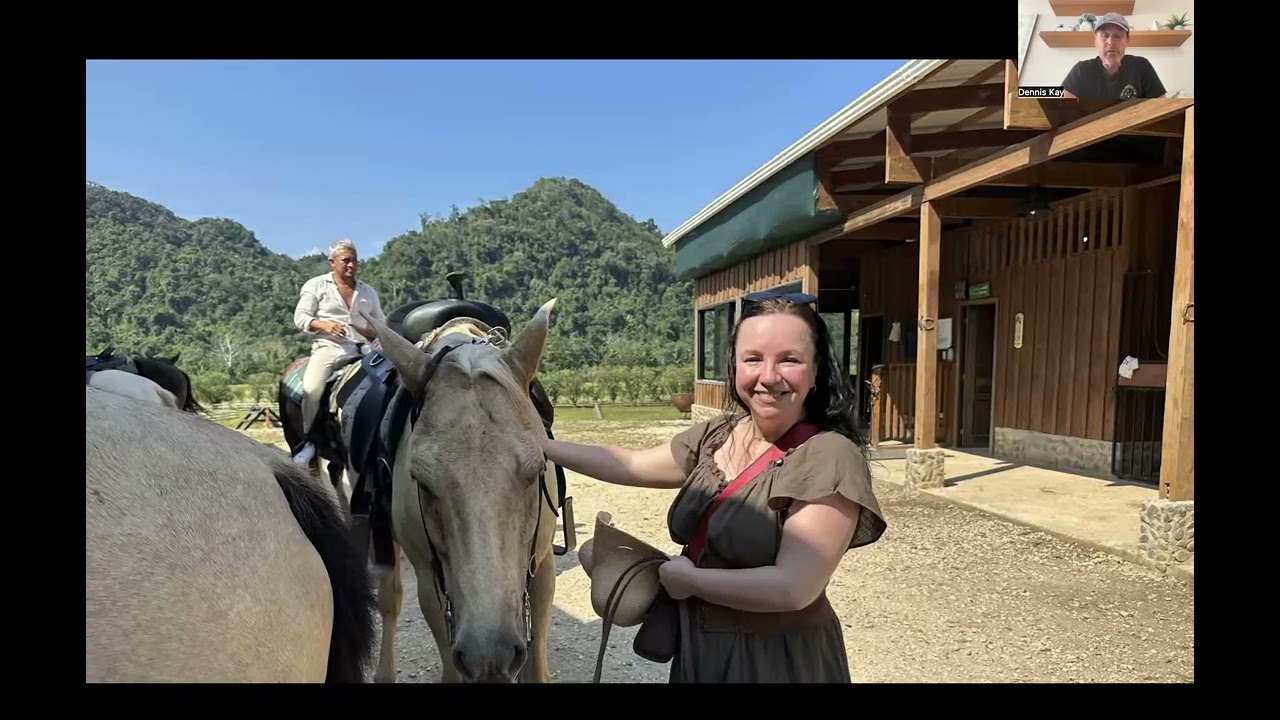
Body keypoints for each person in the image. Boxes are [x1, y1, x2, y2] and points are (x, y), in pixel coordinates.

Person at [544, 290, 887, 683]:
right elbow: (634, 464)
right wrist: (540, 446)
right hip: (702, 649)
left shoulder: (830, 455)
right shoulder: (719, 434)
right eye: (753, 359)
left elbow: (793, 587)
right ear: (734, 365)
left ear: (815, 371)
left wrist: (688, 581)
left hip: (776, 659)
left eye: (789, 359)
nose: (768, 376)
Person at [291, 238, 386, 465]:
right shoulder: (316, 285)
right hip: (330, 347)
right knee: (312, 389)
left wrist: (373, 333)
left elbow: (382, 324)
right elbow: (300, 317)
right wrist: (324, 325)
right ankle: (310, 440)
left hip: (364, 350)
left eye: (354, 261)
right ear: (332, 262)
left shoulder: (368, 292)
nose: (351, 265)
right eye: (346, 260)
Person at [1060, 12, 1167, 100]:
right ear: (1096, 41)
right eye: (1105, 35)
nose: (1110, 42)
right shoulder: (1081, 70)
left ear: (1127, 41)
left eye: (1117, 36)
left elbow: (1161, 106)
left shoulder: (1142, 67)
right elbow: (1058, 101)